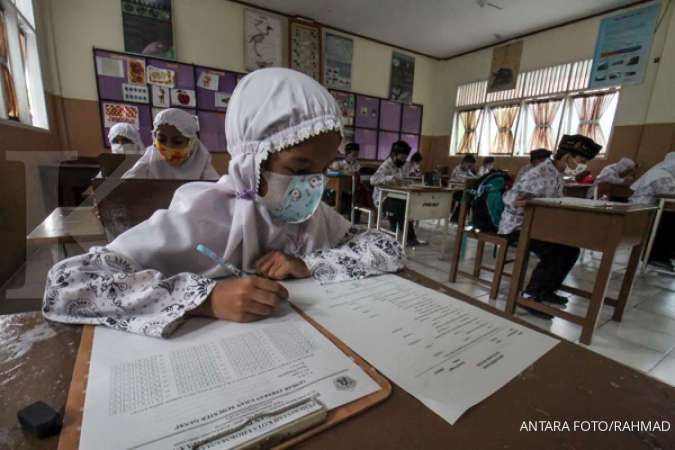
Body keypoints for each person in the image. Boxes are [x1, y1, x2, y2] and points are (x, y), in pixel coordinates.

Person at [42, 68, 404, 337]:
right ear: (252, 158)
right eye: (299, 167)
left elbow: (387, 247)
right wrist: (206, 299)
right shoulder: (201, 214)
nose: (312, 185)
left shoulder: (314, 218)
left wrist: (306, 264)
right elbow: (66, 285)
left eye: (323, 171)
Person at [498, 134, 601, 319]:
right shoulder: (538, 173)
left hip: (539, 225)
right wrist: (520, 200)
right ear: (567, 156)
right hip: (517, 227)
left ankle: (546, 290)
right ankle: (530, 295)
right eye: (581, 160)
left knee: (571, 250)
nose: (583, 165)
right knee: (554, 251)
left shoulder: (555, 173)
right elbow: (509, 198)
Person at [123, 108, 220, 180]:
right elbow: (126, 186)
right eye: (161, 140)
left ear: (191, 143)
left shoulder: (201, 163)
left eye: (177, 142)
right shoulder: (149, 161)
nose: (168, 147)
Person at [371, 140, 423, 246]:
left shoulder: (402, 166)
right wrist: (391, 178)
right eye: (402, 158)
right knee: (404, 207)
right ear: (394, 155)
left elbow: (403, 180)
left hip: (398, 196)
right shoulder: (386, 165)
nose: (404, 160)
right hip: (383, 198)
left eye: (405, 158)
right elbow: (373, 180)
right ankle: (408, 237)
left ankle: (401, 234)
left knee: (408, 204)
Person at [629, 152, 675, 269]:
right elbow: (666, 193)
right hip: (642, 208)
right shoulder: (661, 174)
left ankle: (664, 253)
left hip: (649, 207)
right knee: (668, 222)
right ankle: (655, 256)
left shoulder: (662, 172)